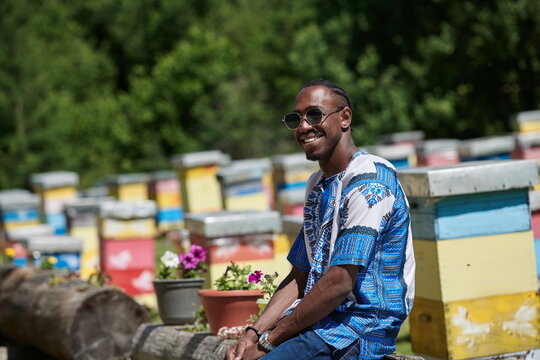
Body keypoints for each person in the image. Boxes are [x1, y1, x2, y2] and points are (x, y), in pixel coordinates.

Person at [226, 79, 415, 360]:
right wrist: (252, 333)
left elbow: (339, 282)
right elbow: (299, 275)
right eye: (296, 119)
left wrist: (269, 342)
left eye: (315, 115)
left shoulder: (370, 181)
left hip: (359, 328)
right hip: (320, 321)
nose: (303, 126)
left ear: (345, 118)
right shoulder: (318, 185)